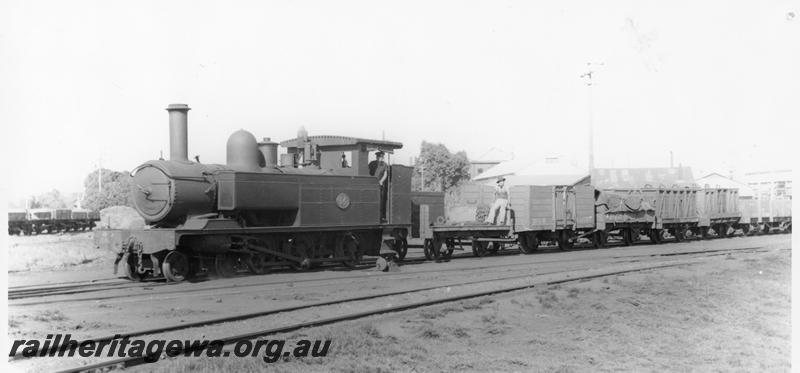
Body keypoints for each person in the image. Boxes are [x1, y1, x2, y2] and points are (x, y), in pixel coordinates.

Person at [369, 152, 389, 221]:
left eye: (381, 157)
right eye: (378, 157)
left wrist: (381, 181)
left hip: (380, 185)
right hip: (371, 184)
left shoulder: (384, 164)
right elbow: (368, 172)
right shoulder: (372, 163)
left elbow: (385, 175)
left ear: (383, 157)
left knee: (380, 201)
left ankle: (380, 216)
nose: (379, 158)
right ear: (376, 157)